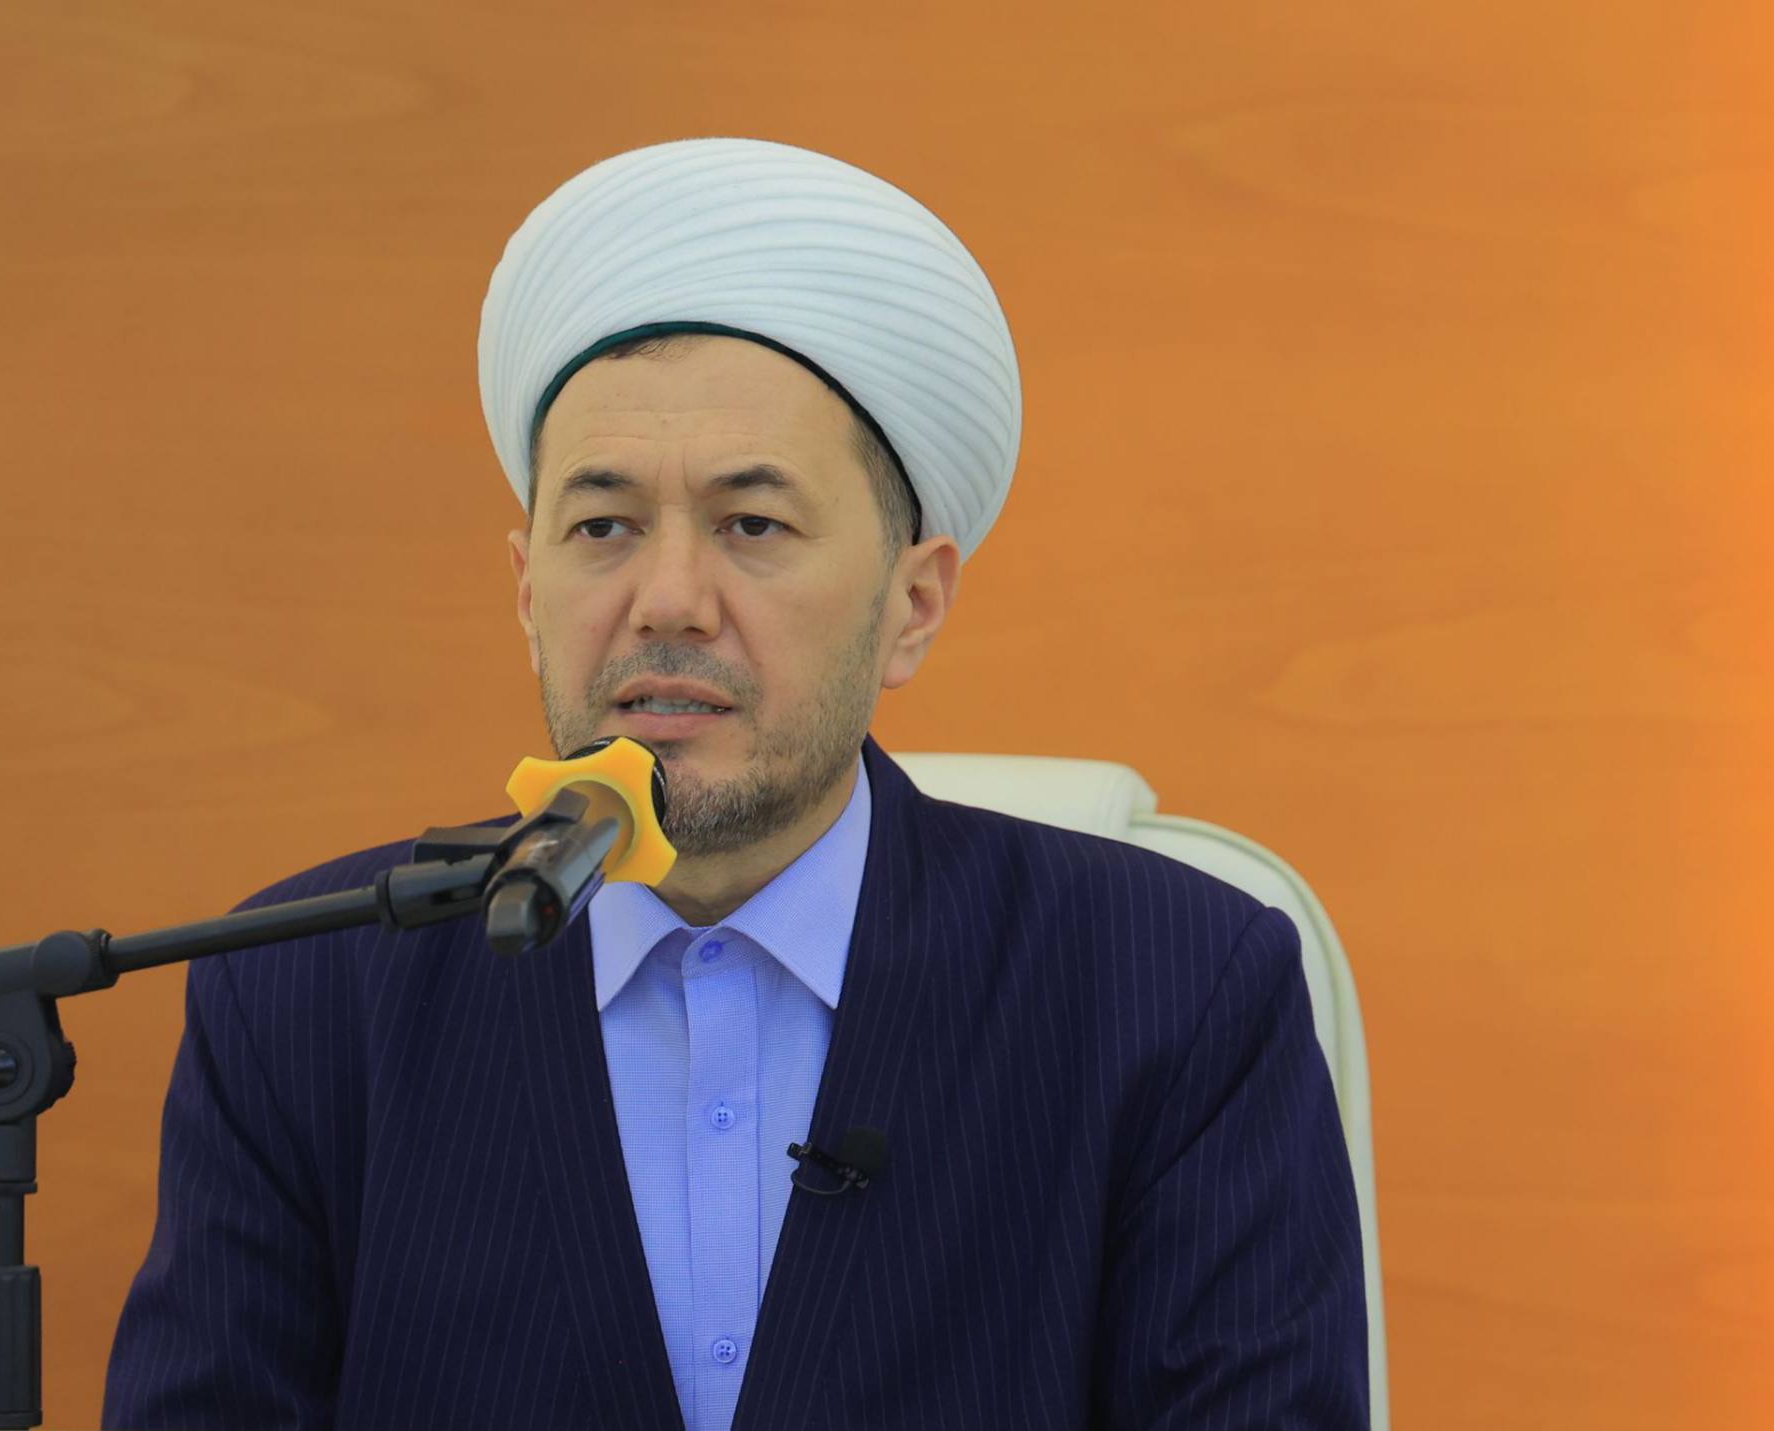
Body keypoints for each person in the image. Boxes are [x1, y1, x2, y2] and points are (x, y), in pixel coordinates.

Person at [102, 137, 1368, 1430]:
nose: (667, 600)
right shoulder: (304, 995)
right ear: (528, 591)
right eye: (603, 526)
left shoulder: (1178, 991)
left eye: (751, 524)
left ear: (913, 605)